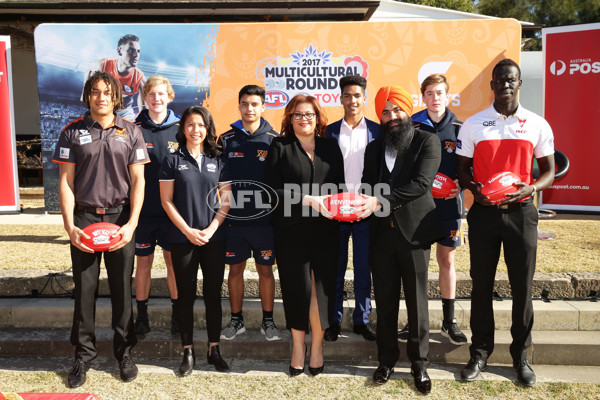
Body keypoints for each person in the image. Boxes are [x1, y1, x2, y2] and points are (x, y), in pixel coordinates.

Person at [456, 58, 555, 387]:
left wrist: (533, 187)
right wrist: (474, 190)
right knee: (481, 286)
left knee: (522, 288)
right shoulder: (473, 124)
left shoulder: (537, 124)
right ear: (493, 86)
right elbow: (462, 170)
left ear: (519, 83)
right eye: (499, 80)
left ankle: (520, 356)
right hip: (484, 213)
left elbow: (550, 170)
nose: (505, 85)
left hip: (522, 213)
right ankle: (480, 352)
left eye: (511, 79)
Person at [53, 71, 149, 388]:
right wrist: (69, 225)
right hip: (85, 219)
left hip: (120, 219)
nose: (101, 97)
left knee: (123, 291)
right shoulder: (71, 132)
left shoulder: (131, 132)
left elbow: (138, 181)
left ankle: (124, 353)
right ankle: (83, 357)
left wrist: (132, 222)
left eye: (107, 92)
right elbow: (65, 182)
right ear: (88, 96)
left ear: (116, 96)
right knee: (85, 292)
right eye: (95, 91)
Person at [358, 85, 443, 395]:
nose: (392, 117)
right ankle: (386, 360)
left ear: (408, 111)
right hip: (380, 236)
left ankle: (419, 365)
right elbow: (367, 185)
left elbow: (421, 184)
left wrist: (379, 202)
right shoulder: (374, 148)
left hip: (415, 234)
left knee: (418, 302)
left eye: (397, 110)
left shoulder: (427, 141)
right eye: (385, 112)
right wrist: (357, 203)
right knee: (386, 300)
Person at [264, 94, 344, 377]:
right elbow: (271, 192)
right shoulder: (280, 146)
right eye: (298, 114)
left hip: (326, 231)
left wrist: (343, 205)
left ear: (317, 117)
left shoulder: (330, 147)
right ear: (289, 118)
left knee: (321, 291)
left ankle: (318, 347)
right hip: (291, 231)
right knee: (298, 290)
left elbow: (339, 186)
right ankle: (298, 347)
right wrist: (309, 199)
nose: (304, 119)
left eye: (309, 114)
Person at [159, 106, 232, 376]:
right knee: (185, 297)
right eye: (190, 124)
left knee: (213, 296)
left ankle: (214, 350)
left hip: (214, 238)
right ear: (183, 128)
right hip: (182, 239)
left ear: (208, 128)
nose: (195, 129)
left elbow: (226, 200)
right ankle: (187, 351)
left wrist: (212, 228)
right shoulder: (171, 160)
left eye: (200, 125)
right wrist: (188, 231)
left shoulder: (220, 160)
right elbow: (166, 201)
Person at [397, 74, 467, 345]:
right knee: (417, 266)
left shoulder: (460, 127)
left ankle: (449, 322)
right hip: (417, 208)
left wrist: (462, 183)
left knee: (446, 260)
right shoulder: (411, 125)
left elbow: (469, 165)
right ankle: (415, 323)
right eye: (429, 93)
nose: (435, 98)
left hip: (448, 205)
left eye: (439, 93)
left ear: (447, 95)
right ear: (422, 96)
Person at [218, 85, 281, 342]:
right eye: (245, 103)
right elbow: (220, 182)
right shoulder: (226, 139)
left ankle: (268, 321)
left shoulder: (274, 140)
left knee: (266, 271)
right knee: (235, 270)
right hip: (234, 222)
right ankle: (236, 320)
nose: (250, 108)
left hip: (265, 223)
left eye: (255, 104)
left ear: (263, 107)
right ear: (239, 106)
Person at [324, 75, 379, 342]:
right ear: (341, 98)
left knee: (363, 267)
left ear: (364, 98)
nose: (352, 100)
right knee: (335, 267)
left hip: (365, 210)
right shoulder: (330, 132)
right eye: (347, 95)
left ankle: (362, 319)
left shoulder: (378, 131)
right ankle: (332, 320)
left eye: (357, 95)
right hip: (336, 211)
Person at [133, 76, 180, 339]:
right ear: (145, 97)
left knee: (173, 264)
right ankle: (142, 316)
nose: (156, 99)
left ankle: (177, 315)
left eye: (161, 94)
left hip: (173, 213)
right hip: (144, 213)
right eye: (151, 94)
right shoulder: (133, 127)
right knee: (143, 264)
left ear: (169, 96)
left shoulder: (182, 128)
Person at [84, 34, 145, 121]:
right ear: (119, 51)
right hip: (103, 108)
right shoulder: (102, 65)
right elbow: (89, 68)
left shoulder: (140, 77)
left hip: (124, 112)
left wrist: (142, 121)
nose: (136, 55)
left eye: (138, 51)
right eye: (131, 50)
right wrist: (84, 94)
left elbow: (144, 108)